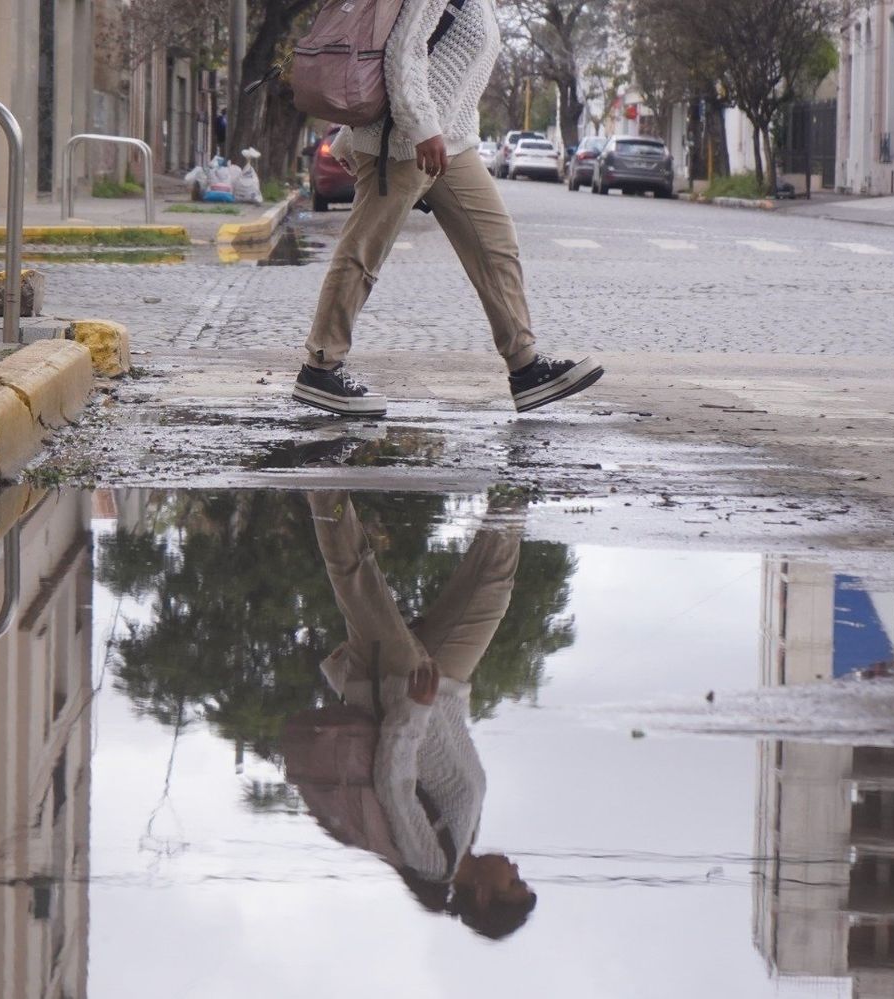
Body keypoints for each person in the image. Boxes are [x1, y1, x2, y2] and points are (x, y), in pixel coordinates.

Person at [292, 0, 604, 418]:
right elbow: (404, 52)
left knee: (495, 245)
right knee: (364, 251)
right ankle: (321, 366)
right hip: (409, 143)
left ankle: (525, 368)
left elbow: (454, 76)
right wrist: (421, 127)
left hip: (454, 143)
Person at [306, 490, 538, 939]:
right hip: (444, 681)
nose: (514, 867)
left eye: (513, 881)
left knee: (358, 578)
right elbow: (447, 748)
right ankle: (515, 488)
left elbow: (394, 786)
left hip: (399, 692)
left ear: (485, 896)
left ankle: (321, 482)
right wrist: (444, 697)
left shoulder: (432, 863)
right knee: (494, 588)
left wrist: (414, 708)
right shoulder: (464, 841)